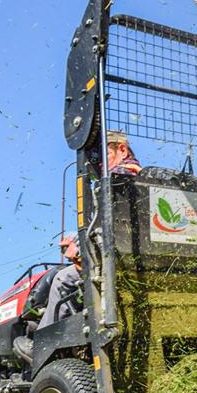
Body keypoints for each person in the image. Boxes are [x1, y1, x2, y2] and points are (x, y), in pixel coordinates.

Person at [12, 131, 143, 360]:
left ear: (122, 149)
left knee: (62, 278)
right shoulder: (150, 181)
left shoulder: (117, 181)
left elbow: (108, 238)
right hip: (141, 262)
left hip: (119, 266)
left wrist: (77, 254)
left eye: (104, 158)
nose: (101, 166)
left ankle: (40, 343)